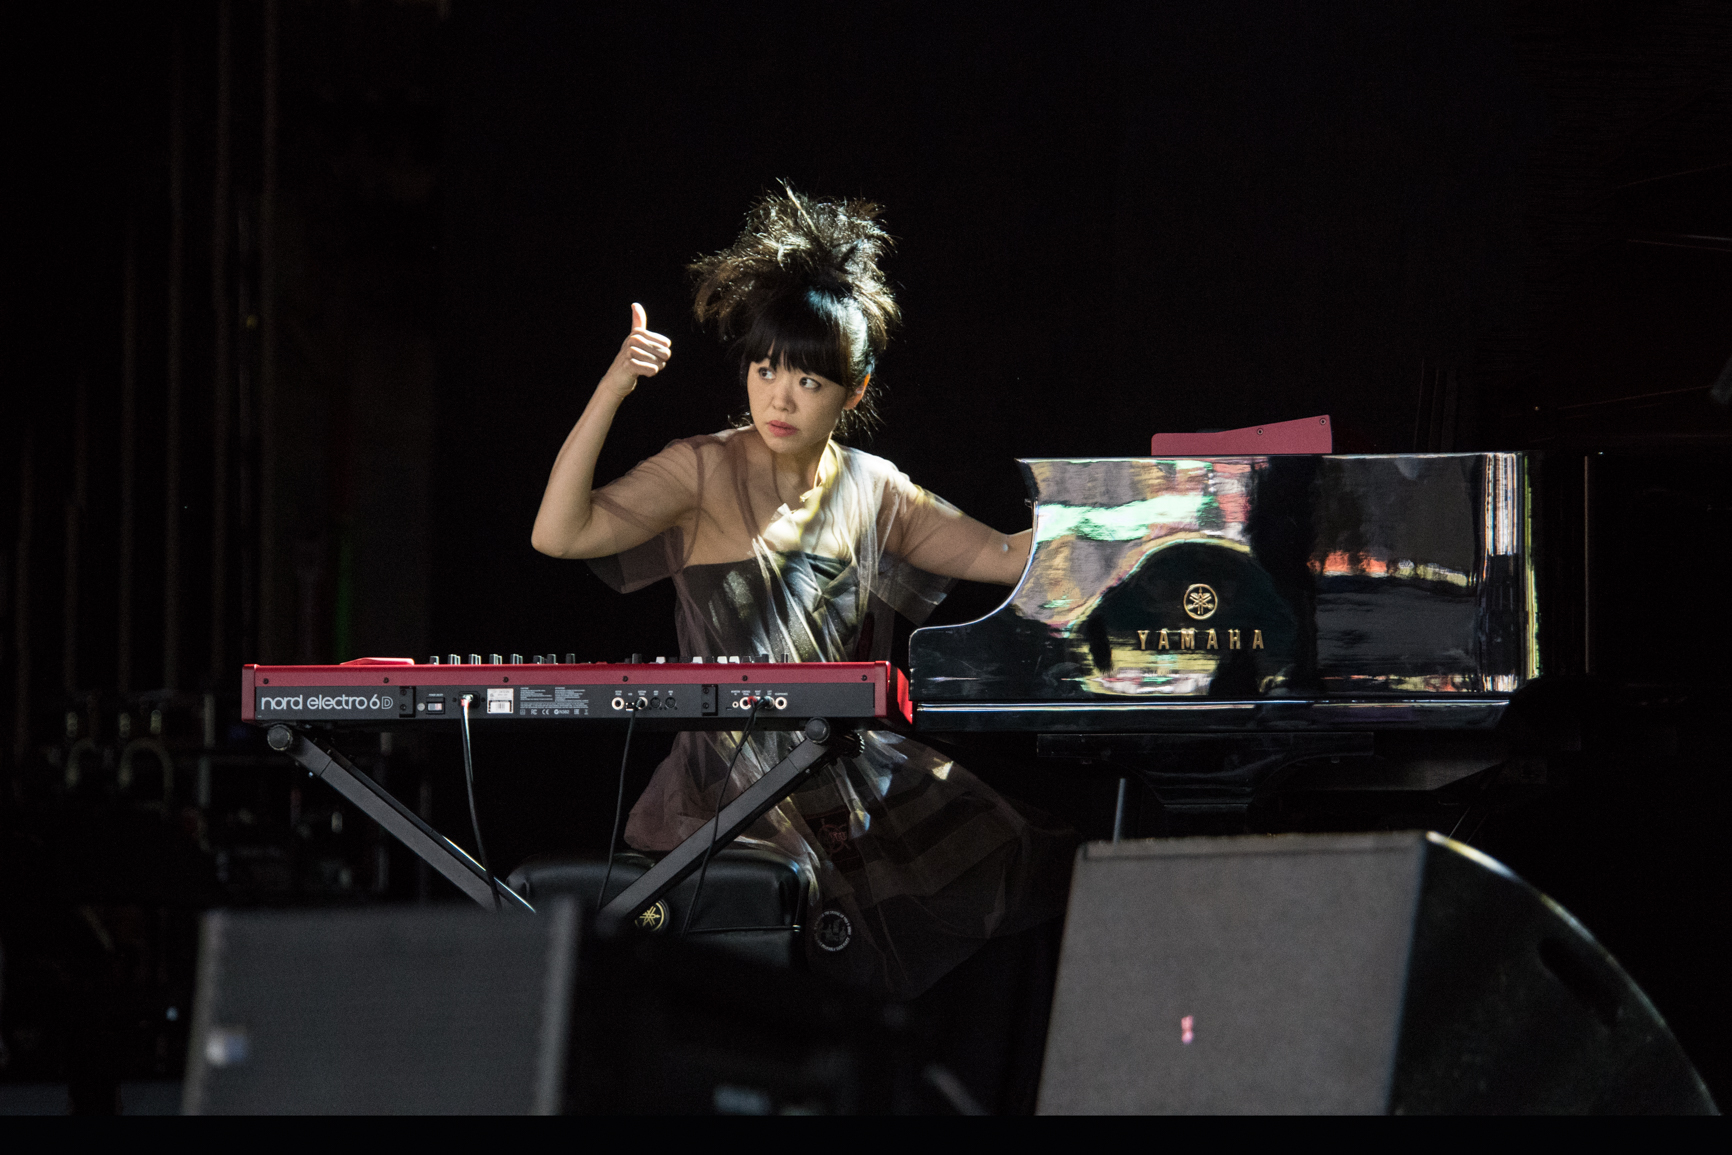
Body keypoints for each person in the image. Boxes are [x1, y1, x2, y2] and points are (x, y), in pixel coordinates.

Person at [531, 186, 1072, 998]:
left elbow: (1004, 555)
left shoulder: (874, 487)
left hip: (842, 775)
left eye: (811, 380)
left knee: (1033, 866)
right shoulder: (702, 468)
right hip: (725, 784)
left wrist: (1135, 516)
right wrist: (613, 386)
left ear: (854, 391)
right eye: (766, 368)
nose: (780, 396)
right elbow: (558, 534)